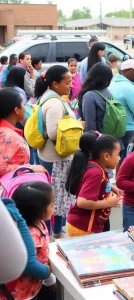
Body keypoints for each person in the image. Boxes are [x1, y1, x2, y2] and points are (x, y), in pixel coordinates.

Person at [35, 65, 78, 237]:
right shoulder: (54, 103)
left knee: (56, 197)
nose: (70, 85)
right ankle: (55, 234)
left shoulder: (51, 97)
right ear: (54, 83)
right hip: (56, 158)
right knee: (55, 198)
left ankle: (55, 232)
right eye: (67, 82)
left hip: (52, 156)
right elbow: (53, 132)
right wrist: (76, 126)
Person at [65, 132, 122, 237]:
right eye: (118, 154)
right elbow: (82, 202)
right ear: (106, 156)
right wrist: (109, 203)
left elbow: (98, 183)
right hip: (83, 228)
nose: (119, 158)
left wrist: (112, 188)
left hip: (85, 226)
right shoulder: (96, 173)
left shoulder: (96, 166)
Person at [12, 182, 56, 300]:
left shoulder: (39, 223)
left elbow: (41, 256)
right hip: (20, 294)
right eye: (52, 205)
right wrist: (48, 272)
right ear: (40, 211)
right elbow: (30, 265)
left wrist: (49, 279)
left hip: (33, 287)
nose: (55, 207)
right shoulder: (30, 235)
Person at [0, 88, 45, 177]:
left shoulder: (6, 131)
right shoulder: (8, 136)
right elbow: (1, 168)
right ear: (16, 110)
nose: (26, 108)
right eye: (24, 104)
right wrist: (29, 168)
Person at [109, 59, 134, 164]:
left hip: (115, 128)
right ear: (125, 71)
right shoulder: (128, 88)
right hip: (129, 129)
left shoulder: (112, 84)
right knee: (129, 163)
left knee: (117, 160)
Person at [78, 63, 113, 132]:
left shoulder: (89, 96)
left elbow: (90, 125)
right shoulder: (107, 92)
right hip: (108, 135)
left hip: (96, 138)